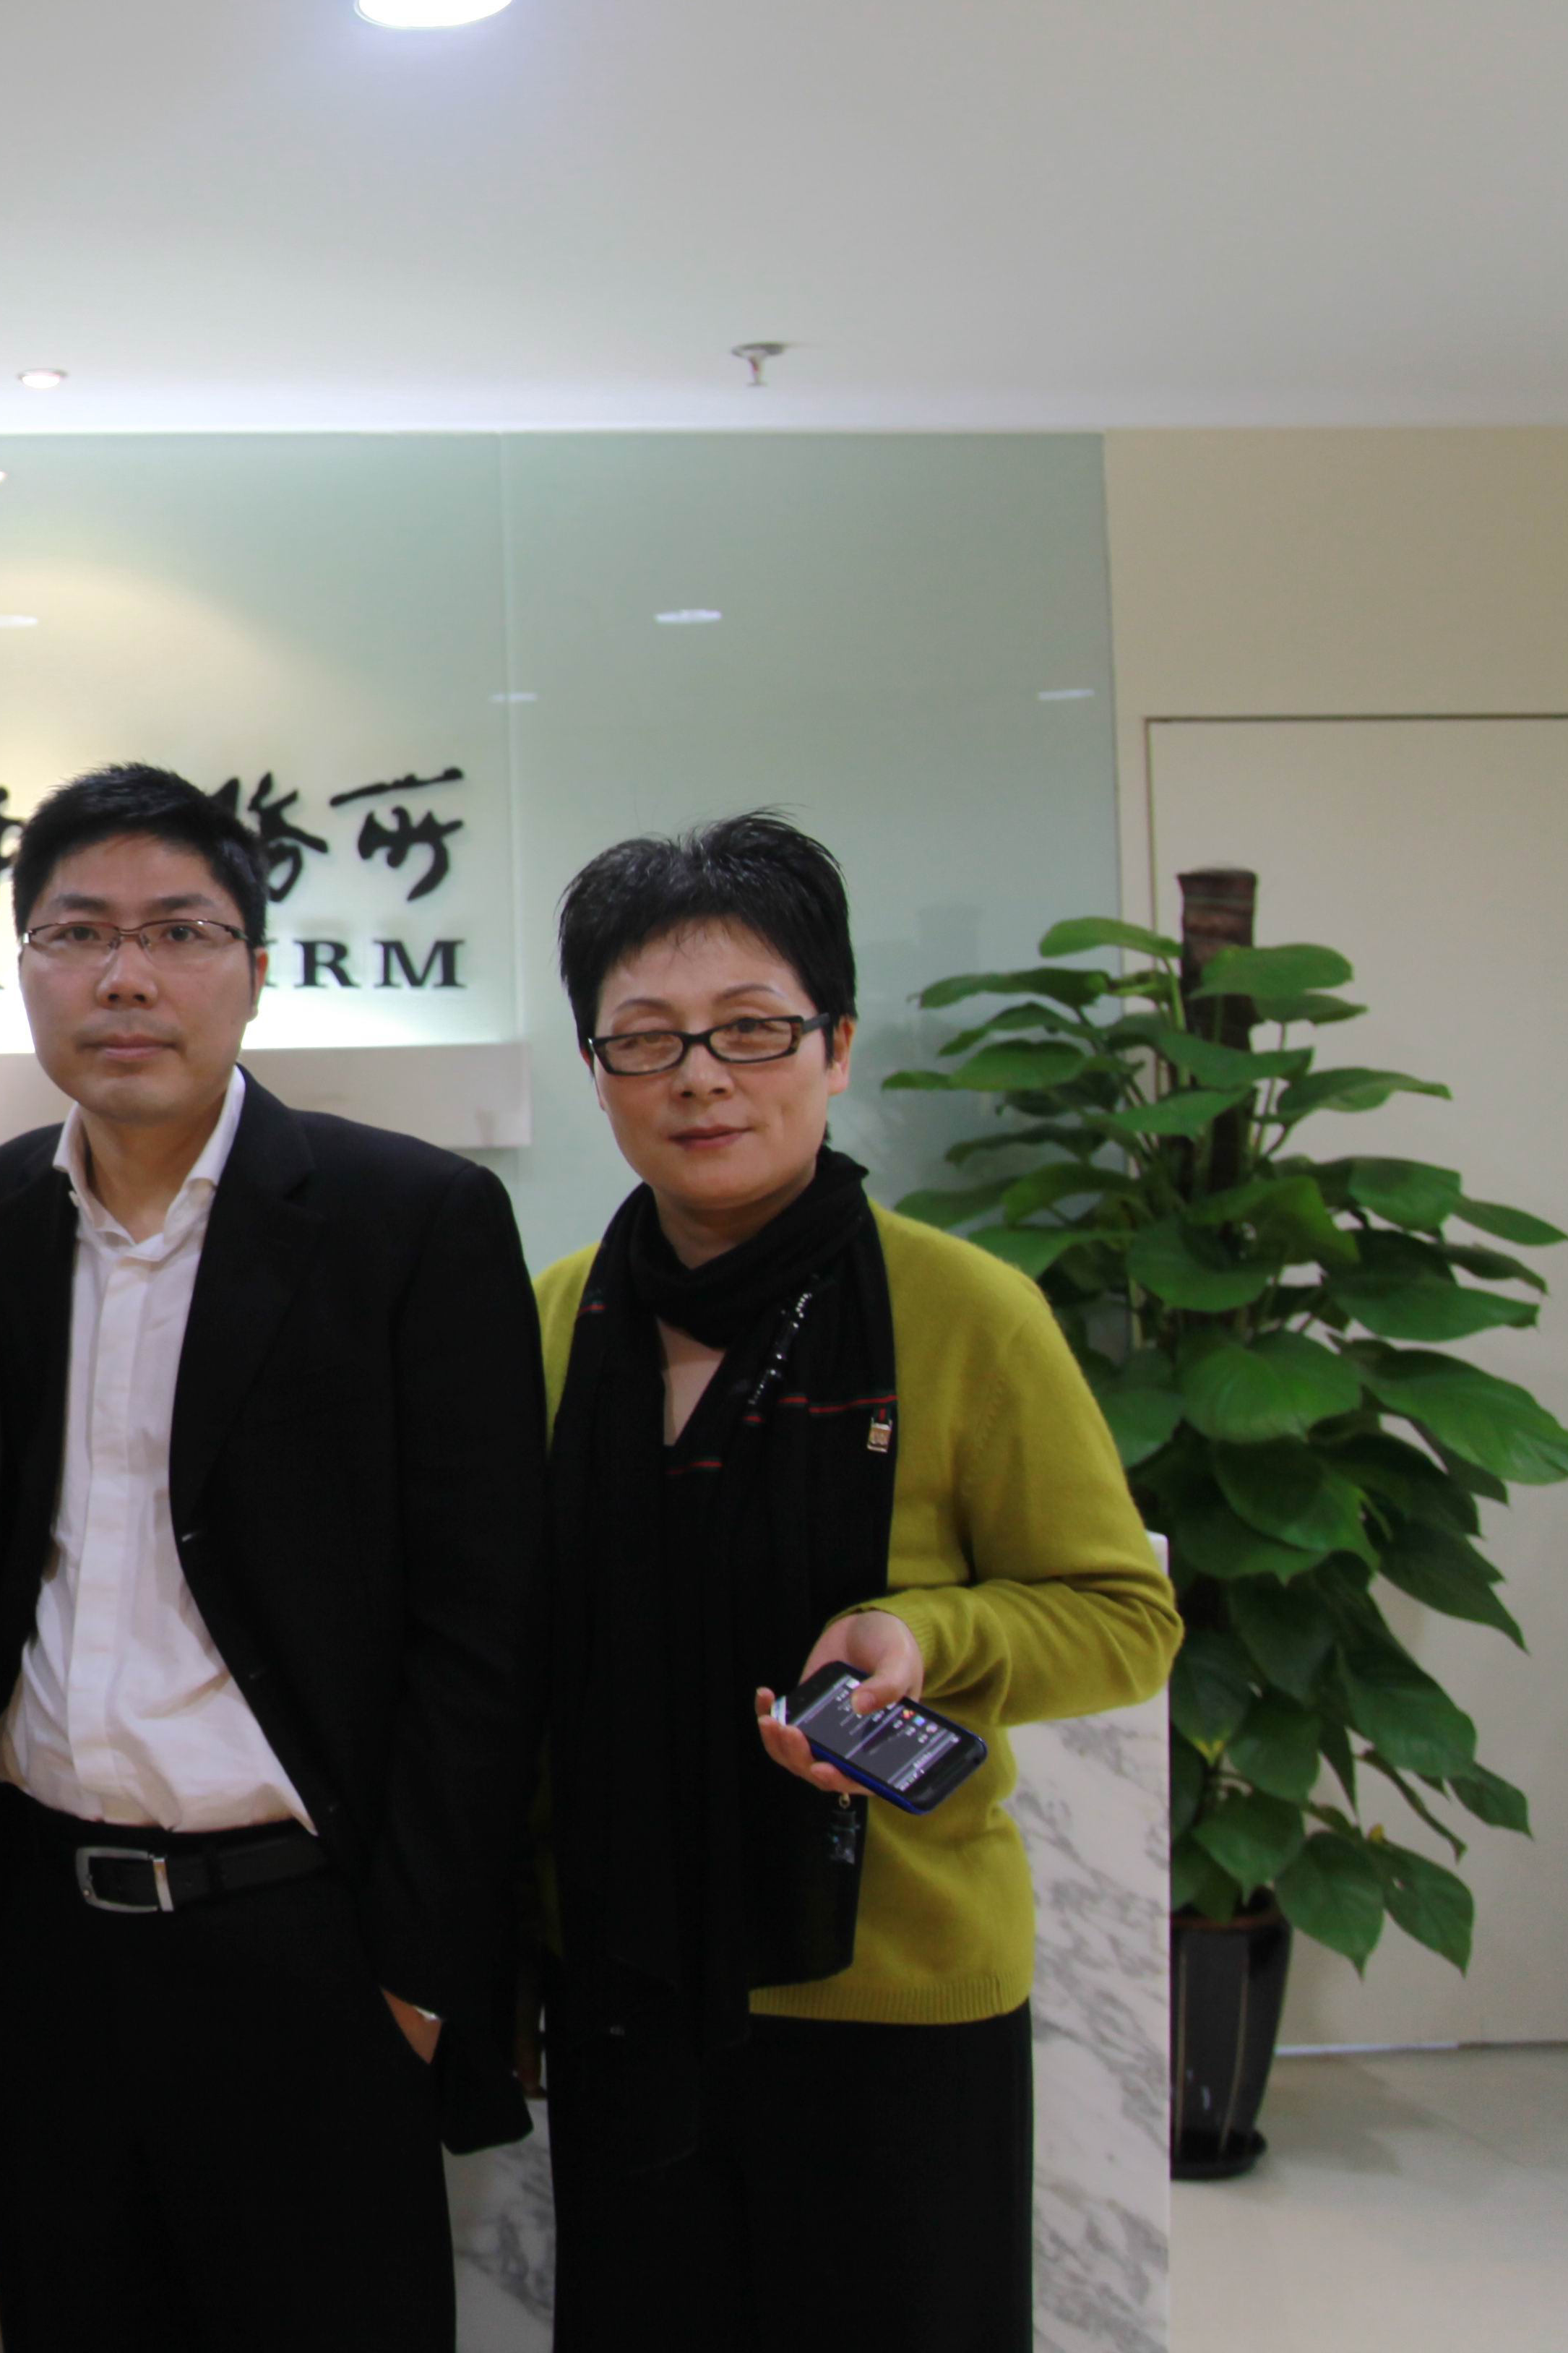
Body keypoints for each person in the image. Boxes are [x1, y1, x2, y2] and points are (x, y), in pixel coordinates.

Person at [534, 814, 1178, 2353]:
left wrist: (924, 1633)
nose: (701, 1077)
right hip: (625, 1983)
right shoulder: (553, 1321)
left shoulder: (966, 1311)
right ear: (599, 1072)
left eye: (752, 1029)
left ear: (835, 1046)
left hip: (894, 1994)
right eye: (646, 1038)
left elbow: (1123, 1619)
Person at [0, 763, 548, 2353]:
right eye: (78, 932)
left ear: (256, 970)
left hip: (308, 1949)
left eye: (179, 932)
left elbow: (486, 1628)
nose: (126, 975)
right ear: (25, 967)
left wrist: (417, 1974)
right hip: (48, 1950)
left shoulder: (410, 1219)